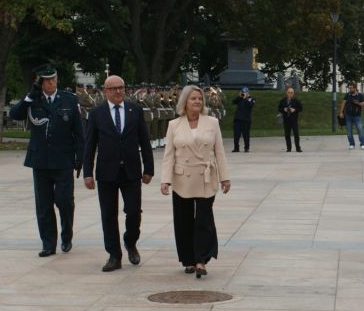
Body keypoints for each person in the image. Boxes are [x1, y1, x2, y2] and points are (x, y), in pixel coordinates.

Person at [9, 64, 85, 257]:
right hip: (41, 160)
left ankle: (66, 236)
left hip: (63, 159)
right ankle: (48, 243)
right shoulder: (32, 100)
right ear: (40, 82)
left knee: (65, 201)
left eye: (54, 79)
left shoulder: (69, 99)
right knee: (44, 205)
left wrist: (80, 157)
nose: (52, 82)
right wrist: (29, 96)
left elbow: (79, 132)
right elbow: (15, 114)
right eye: (48, 80)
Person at [82, 75, 154, 272]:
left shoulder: (135, 111)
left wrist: (149, 168)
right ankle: (114, 254)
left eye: (120, 87)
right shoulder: (97, 113)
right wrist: (87, 172)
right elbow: (89, 145)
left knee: (133, 211)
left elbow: (144, 142)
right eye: (113, 88)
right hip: (106, 172)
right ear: (106, 91)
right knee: (108, 215)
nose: (118, 91)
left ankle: (130, 242)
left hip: (131, 171)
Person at [160, 85, 230, 277]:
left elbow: (220, 152)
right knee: (183, 221)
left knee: (204, 219)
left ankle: (201, 259)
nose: (198, 101)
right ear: (185, 102)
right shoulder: (174, 125)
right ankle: (188, 260)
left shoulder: (212, 123)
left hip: (206, 177)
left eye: (200, 98)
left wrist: (225, 177)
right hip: (182, 178)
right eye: (193, 99)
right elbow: (168, 155)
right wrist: (165, 180)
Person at [339, 82, 364, 150]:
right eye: (349, 88)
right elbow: (343, 103)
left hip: (357, 116)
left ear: (355, 88)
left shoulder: (360, 95)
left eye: (351, 88)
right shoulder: (347, 95)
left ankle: (362, 144)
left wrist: (358, 103)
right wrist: (341, 112)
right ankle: (351, 144)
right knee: (349, 131)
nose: (350, 89)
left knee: (360, 130)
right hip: (348, 116)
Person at [278, 86, 303, 152]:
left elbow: (300, 108)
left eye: (291, 92)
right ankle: (289, 148)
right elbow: (279, 108)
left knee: (296, 134)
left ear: (293, 93)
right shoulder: (283, 100)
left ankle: (298, 148)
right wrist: (284, 109)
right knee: (287, 135)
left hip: (294, 120)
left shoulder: (296, 100)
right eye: (289, 92)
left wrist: (294, 110)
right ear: (286, 93)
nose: (290, 94)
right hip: (286, 120)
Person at [231, 87, 255, 152]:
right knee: (236, 135)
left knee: (246, 135)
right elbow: (233, 102)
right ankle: (236, 148)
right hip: (237, 119)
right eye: (242, 92)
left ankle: (246, 148)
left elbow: (250, 105)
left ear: (247, 92)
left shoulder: (251, 99)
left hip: (246, 120)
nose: (243, 93)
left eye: (244, 92)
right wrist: (239, 97)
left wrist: (245, 98)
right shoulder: (240, 98)